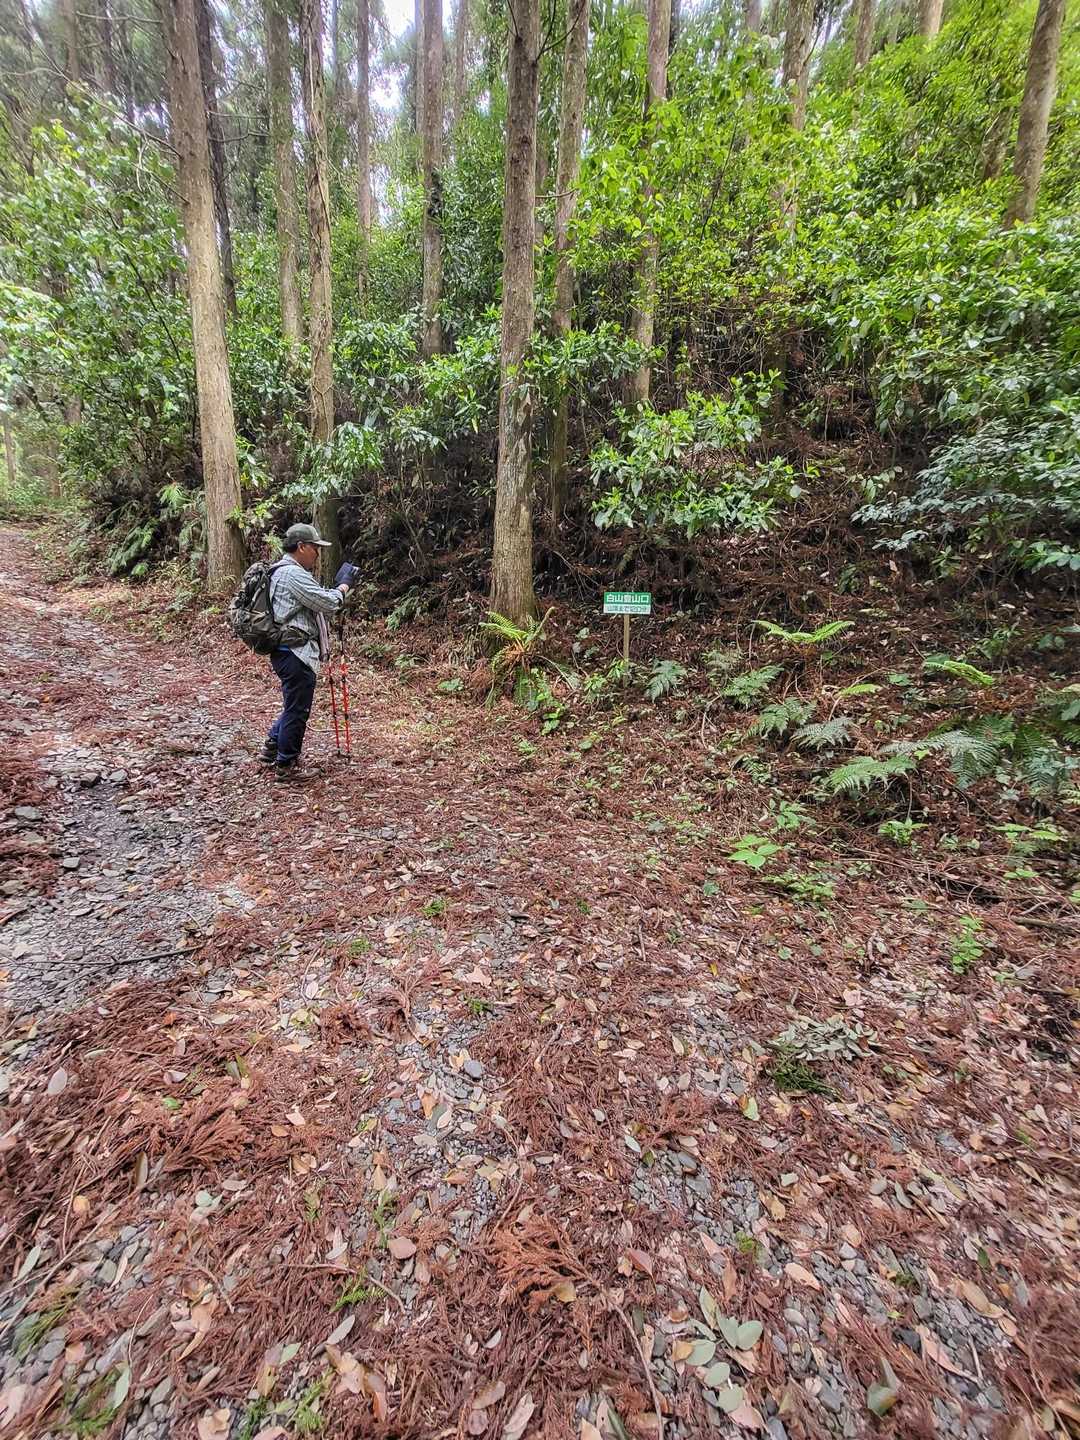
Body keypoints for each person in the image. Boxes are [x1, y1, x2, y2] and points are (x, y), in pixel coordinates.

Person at [259, 523, 353, 782]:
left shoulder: (280, 571)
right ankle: (286, 764)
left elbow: (314, 600)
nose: (317, 554)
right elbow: (327, 603)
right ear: (301, 547)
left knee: (293, 704)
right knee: (298, 709)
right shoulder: (292, 574)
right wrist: (343, 587)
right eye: (315, 548)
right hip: (295, 652)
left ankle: (272, 747)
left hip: (285, 650)